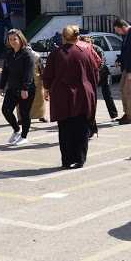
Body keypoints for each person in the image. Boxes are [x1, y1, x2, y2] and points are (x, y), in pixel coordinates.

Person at [42, 25, 101, 169]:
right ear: (77, 37)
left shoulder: (55, 54)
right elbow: (95, 75)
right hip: (83, 95)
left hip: (62, 95)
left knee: (65, 128)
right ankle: (80, 159)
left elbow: (48, 75)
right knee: (81, 127)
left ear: (63, 37)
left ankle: (67, 160)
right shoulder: (85, 53)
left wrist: (46, 89)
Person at [0, 29, 36, 145]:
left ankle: (24, 136)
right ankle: (16, 130)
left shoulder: (27, 54)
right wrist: (2, 86)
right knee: (6, 110)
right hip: (12, 88)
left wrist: (25, 88)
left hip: (26, 89)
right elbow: (5, 71)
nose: (13, 42)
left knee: (24, 113)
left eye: (15, 39)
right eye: (10, 39)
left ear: (20, 39)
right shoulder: (10, 54)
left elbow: (29, 74)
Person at [81, 35, 117, 122]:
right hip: (92, 75)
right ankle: (89, 116)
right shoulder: (83, 51)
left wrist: (95, 72)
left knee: (107, 93)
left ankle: (113, 115)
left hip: (104, 73)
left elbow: (102, 63)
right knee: (90, 95)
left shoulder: (97, 49)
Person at [22, 46, 49, 123]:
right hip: (23, 81)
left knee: (40, 99)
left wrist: (43, 79)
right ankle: (21, 118)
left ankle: (42, 116)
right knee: (22, 100)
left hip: (36, 80)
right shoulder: (19, 56)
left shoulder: (36, 56)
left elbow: (42, 69)